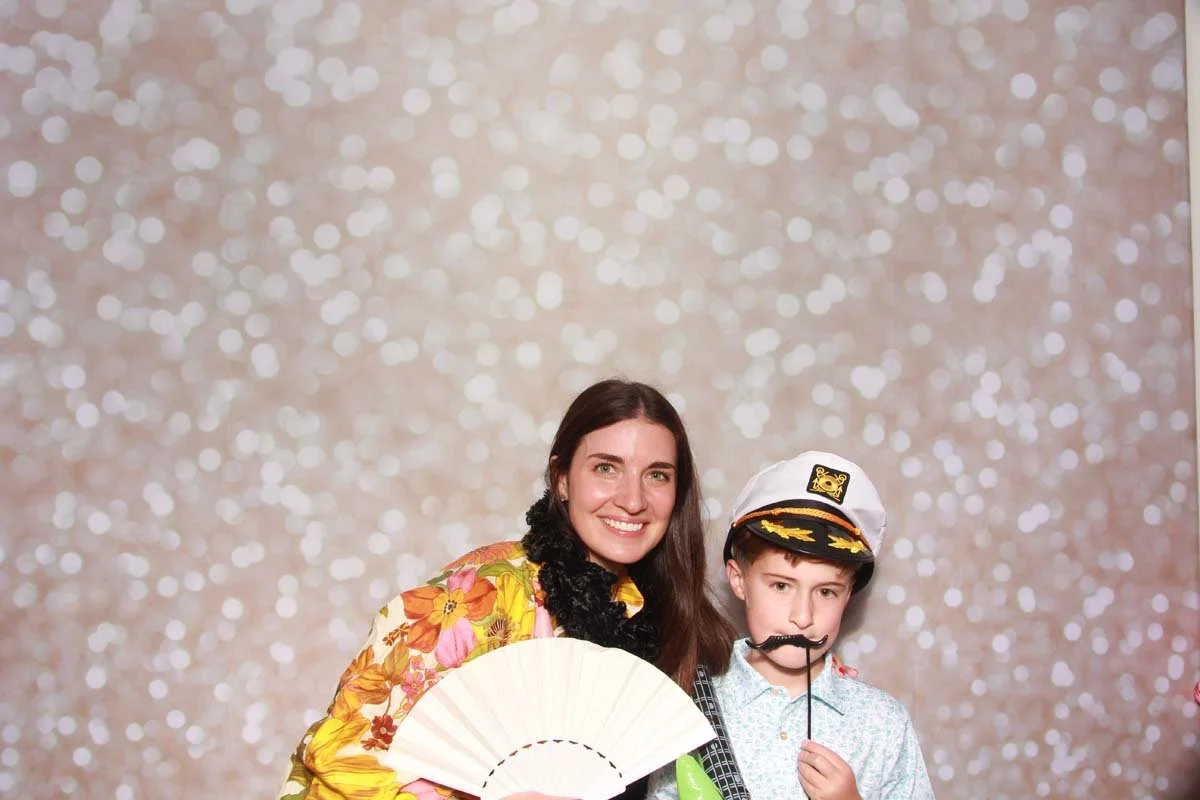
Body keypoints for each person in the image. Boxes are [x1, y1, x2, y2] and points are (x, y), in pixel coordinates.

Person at [277, 379, 737, 800]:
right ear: (561, 479)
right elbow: (339, 750)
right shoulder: (483, 591)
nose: (633, 499)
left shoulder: (663, 614)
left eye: (657, 474)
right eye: (606, 468)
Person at [650, 451, 934, 800]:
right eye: (781, 586)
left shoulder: (883, 724)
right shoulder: (688, 703)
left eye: (827, 591)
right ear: (738, 580)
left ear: (850, 596)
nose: (803, 615)